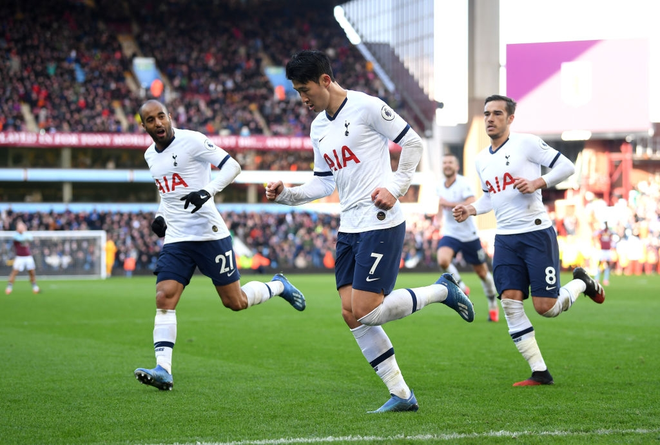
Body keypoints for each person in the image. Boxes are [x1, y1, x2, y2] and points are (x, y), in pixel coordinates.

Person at [266, 50, 474, 412]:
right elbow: (323, 183)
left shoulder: (366, 107)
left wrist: (395, 188)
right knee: (350, 313)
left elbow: (413, 143)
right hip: (349, 226)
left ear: (325, 81)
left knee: (365, 309)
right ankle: (402, 394)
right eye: (298, 91)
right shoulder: (319, 128)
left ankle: (442, 290)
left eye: (304, 89)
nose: (302, 98)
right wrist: (287, 195)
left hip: (381, 222)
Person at [134, 100, 306, 391]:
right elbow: (168, 190)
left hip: (209, 233)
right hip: (177, 238)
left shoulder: (193, 141)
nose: (158, 123)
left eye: (161, 116)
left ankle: (279, 286)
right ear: (144, 126)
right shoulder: (151, 155)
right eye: (150, 120)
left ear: (170, 116)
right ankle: (163, 369)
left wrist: (207, 191)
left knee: (234, 302)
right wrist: (160, 215)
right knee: (164, 297)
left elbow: (233, 166)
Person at [452, 94, 605, 386]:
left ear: (510, 119)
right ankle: (540, 372)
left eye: (497, 114)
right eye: (487, 114)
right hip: (505, 239)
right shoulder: (481, 159)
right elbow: (490, 198)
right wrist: (471, 208)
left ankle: (582, 282)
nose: (490, 119)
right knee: (510, 302)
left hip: (536, 234)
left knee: (546, 307)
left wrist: (538, 182)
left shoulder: (528, 143)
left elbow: (567, 166)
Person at [436, 153, 499, 322]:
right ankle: (462, 288)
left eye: (450, 162)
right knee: (442, 260)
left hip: (469, 234)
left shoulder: (463, 183)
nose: (447, 165)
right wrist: (438, 217)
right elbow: (440, 205)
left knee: (482, 273)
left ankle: (493, 304)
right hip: (451, 232)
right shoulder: (440, 185)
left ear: (456, 167)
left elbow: (471, 202)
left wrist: (447, 204)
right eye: (444, 162)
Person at [5, 221, 40, 295]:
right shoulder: (15, 235)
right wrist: (24, 232)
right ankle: (9, 288)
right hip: (19, 257)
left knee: (32, 272)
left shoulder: (27, 234)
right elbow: (21, 239)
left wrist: (25, 232)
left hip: (28, 256)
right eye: (20, 226)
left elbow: (30, 238)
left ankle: (35, 287)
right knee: (14, 272)